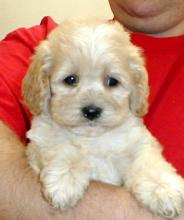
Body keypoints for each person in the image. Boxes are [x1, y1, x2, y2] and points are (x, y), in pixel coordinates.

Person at [0, 0, 184, 219]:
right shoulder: (37, 43)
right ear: (43, 82)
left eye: (112, 82)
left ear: (137, 86)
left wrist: (155, 182)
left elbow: (140, 154)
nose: (92, 105)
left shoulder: (129, 127)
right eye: (70, 80)